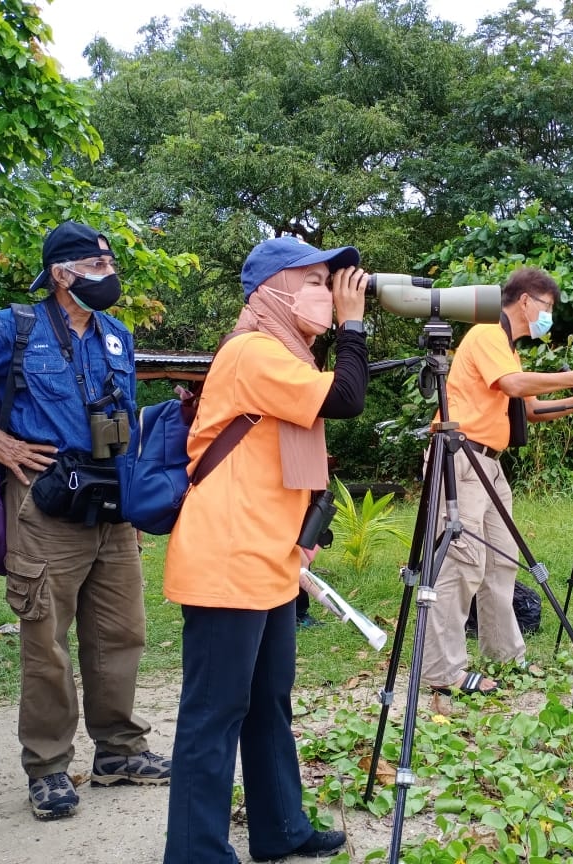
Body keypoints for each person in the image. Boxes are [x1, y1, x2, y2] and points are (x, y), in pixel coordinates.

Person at [0, 221, 170, 820]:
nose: (109, 275)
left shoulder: (117, 336)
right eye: (95, 266)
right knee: (46, 641)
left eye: (109, 264)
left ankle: (120, 752)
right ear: (60, 274)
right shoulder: (12, 327)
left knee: (122, 632)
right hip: (44, 501)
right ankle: (48, 767)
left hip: (111, 503)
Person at [161, 237, 369, 864]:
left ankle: (280, 828)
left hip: (270, 558)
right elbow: (346, 398)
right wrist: (355, 325)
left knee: (267, 703)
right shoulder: (252, 352)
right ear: (270, 291)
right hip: (228, 557)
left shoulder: (288, 358)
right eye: (315, 280)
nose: (328, 293)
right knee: (215, 711)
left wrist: (302, 537)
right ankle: (196, 852)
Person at [421, 267, 573, 696]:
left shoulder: (508, 347)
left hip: (489, 462)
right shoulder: (488, 332)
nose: (549, 318)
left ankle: (504, 655)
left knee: (502, 560)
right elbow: (511, 384)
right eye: (548, 308)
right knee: (461, 562)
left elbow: (532, 409)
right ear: (526, 301)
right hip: (460, 457)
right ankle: (443, 671)